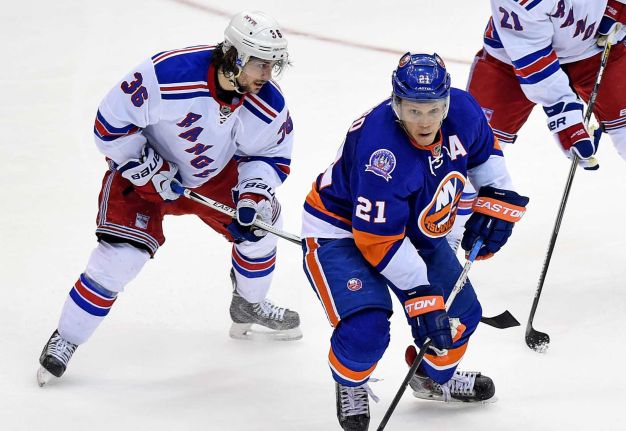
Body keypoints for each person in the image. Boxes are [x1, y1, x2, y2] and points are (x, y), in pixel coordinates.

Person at [37, 10, 301, 387]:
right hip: (146, 176)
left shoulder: (267, 103)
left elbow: (269, 155)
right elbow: (109, 124)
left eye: (272, 65)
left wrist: (252, 194)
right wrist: (145, 166)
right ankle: (67, 337)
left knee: (262, 225)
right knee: (120, 259)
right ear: (236, 55)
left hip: (213, 178)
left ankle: (249, 303)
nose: (268, 75)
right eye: (261, 64)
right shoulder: (168, 74)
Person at [301, 52, 529, 431]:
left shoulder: (465, 112)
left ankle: (430, 378)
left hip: (412, 228)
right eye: (413, 110)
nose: (424, 121)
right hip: (341, 230)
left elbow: (485, 160)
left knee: (460, 316)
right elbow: (378, 239)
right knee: (367, 328)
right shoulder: (381, 152)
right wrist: (421, 296)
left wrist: (497, 203)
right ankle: (351, 383)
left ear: (446, 104)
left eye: (433, 110)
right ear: (397, 104)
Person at [461, 0, 626, 275]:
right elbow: (534, 63)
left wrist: (624, 5)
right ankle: (447, 242)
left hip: (593, 46)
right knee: (470, 151)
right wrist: (567, 119)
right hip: (511, 58)